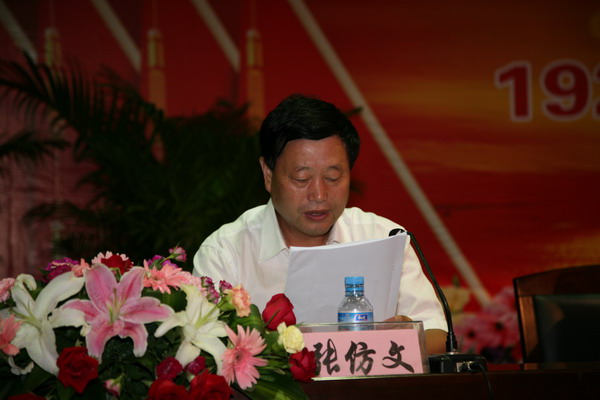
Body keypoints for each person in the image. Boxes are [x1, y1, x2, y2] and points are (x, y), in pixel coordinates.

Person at [193, 94, 447, 354]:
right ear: (268, 175)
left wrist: (404, 339)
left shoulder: (384, 238)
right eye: (302, 179)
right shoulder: (225, 252)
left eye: (333, 178)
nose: (319, 194)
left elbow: (438, 334)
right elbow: (204, 350)